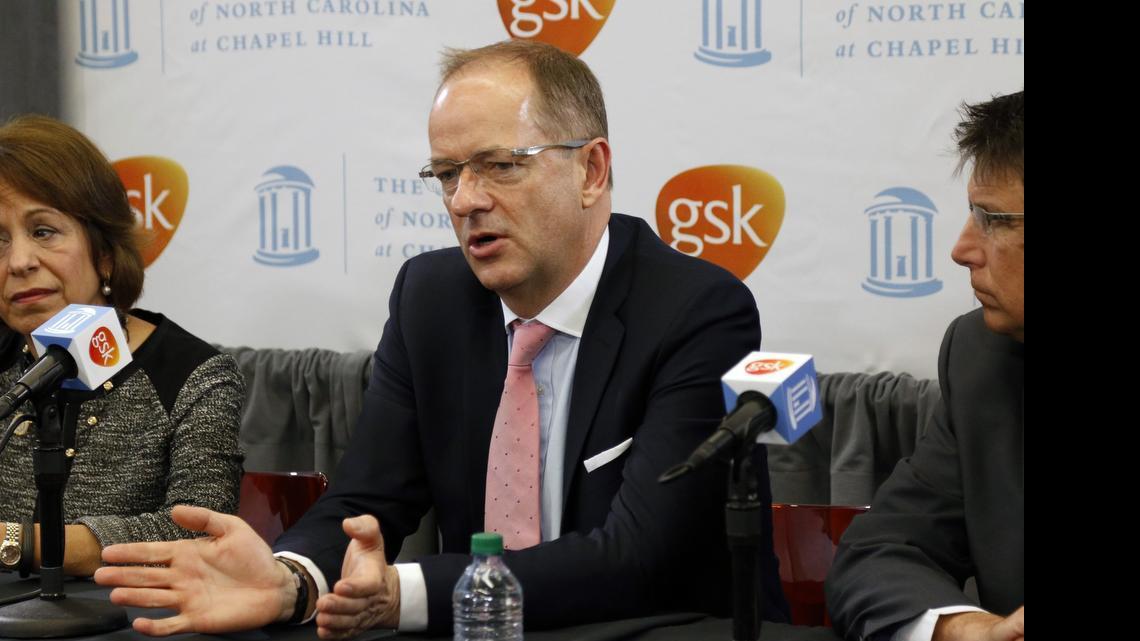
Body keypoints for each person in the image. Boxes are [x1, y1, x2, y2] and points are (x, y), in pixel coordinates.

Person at [94, 39, 788, 637]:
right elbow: (366, 500)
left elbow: (641, 555)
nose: (465, 200)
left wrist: (405, 593)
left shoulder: (697, 310)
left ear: (592, 170)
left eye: (500, 165)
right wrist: (290, 579)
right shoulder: (433, 298)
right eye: (448, 174)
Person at [0, 115, 245, 578]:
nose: (19, 262)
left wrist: (15, 542)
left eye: (44, 231)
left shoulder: (192, 375)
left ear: (105, 252)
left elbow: (199, 534)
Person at [825, 90, 1024, 641]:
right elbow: (878, 554)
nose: (961, 249)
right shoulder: (981, 356)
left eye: (993, 220)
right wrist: (967, 628)